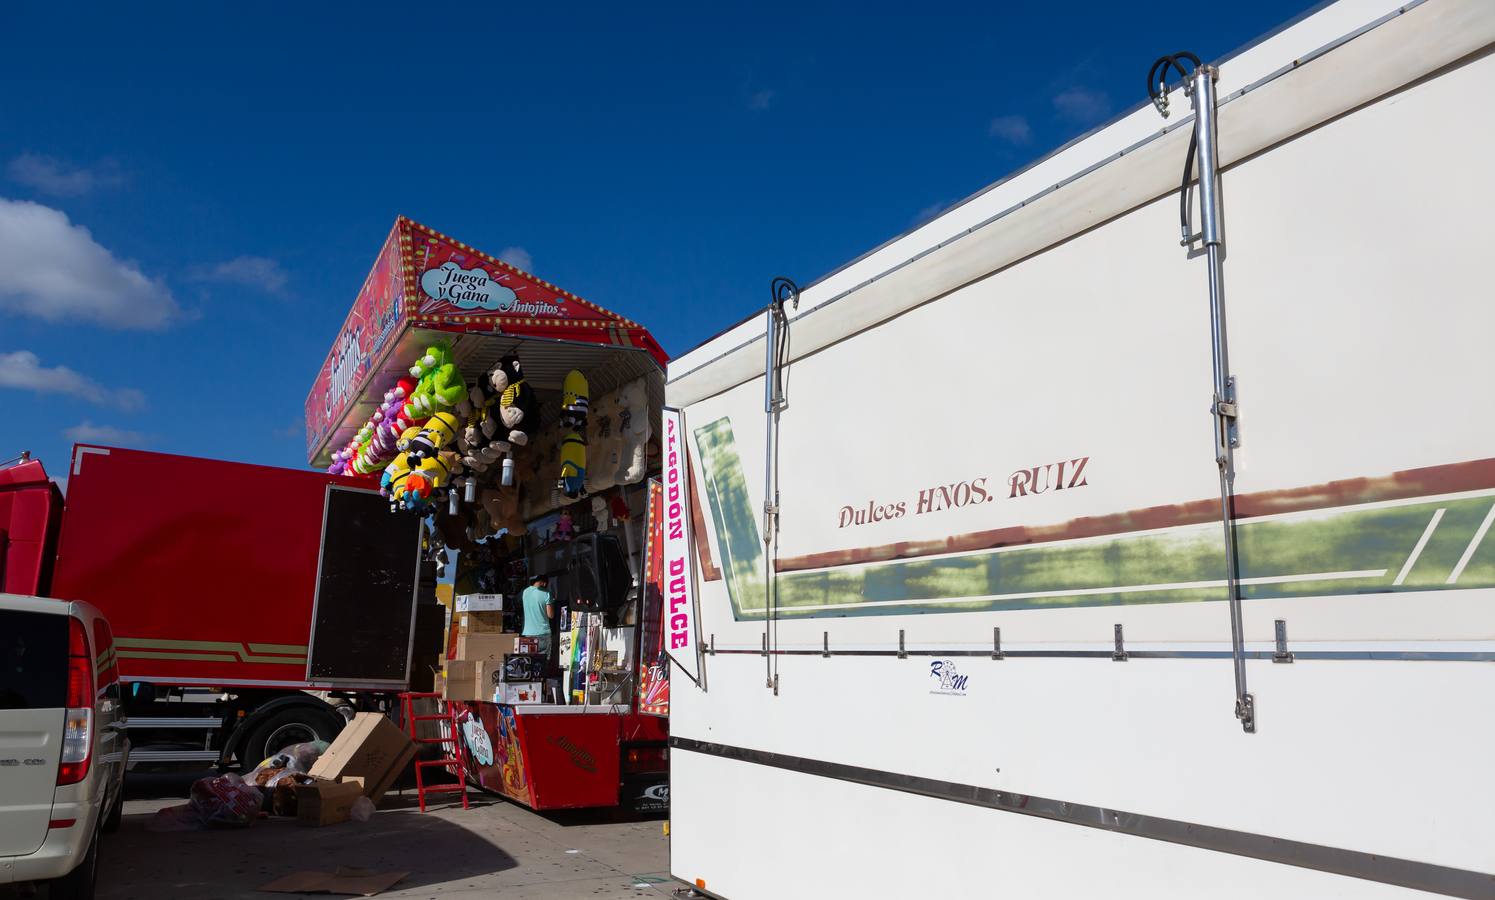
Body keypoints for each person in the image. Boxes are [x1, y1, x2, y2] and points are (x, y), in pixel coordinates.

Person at [520, 575, 555, 659]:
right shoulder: (546, 594)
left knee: (529, 661)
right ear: (543, 583)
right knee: (543, 662)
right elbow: (551, 615)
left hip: (528, 633)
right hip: (543, 633)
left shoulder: (525, 592)